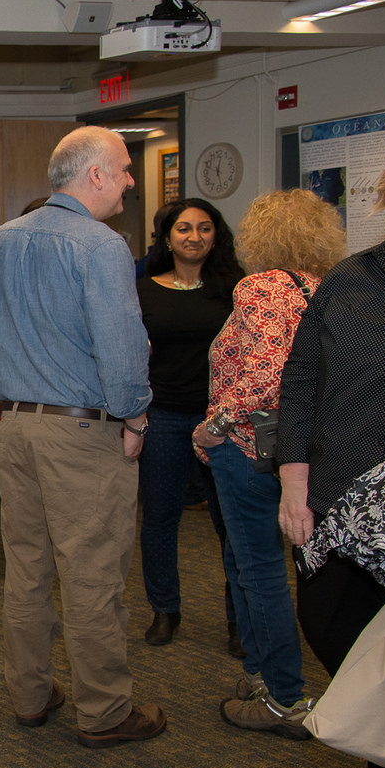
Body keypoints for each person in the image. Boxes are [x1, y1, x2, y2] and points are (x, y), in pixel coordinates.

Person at [0, 126, 166, 748]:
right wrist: (136, 417)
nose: (129, 181)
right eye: (124, 169)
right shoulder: (102, 246)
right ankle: (105, 712)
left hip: (15, 429)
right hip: (82, 432)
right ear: (95, 175)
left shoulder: (6, 236)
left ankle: (30, 695)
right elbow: (122, 348)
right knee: (92, 574)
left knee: (29, 569)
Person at [277, 148, 385, 768]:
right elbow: (299, 382)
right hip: (339, 498)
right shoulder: (352, 280)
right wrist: (293, 483)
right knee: (329, 628)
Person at [192, 190, 345, 738]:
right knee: (249, 563)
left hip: (248, 448)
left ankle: (284, 697)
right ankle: (260, 674)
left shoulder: (261, 287)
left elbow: (264, 377)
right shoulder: (325, 288)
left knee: (258, 571)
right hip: (303, 451)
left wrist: (213, 427)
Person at [134, 198, 244, 647]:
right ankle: (165, 611)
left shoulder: (236, 289)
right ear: (166, 238)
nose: (194, 237)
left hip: (223, 421)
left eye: (204, 228)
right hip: (163, 416)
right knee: (160, 519)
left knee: (230, 523)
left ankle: (239, 620)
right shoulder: (143, 290)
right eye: (183, 228)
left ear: (216, 236)